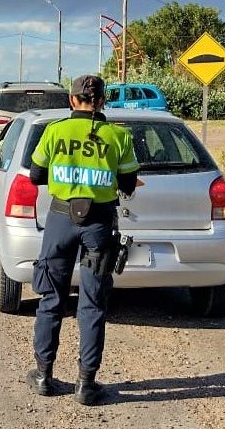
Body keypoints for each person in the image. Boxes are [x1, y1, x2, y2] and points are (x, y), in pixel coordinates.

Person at [26, 75, 140, 405]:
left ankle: (44, 376)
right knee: (92, 303)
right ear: (102, 101)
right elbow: (129, 184)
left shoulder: (55, 131)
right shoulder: (119, 136)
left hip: (61, 220)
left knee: (51, 299)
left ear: (72, 100)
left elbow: (36, 176)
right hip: (99, 224)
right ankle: (86, 384)